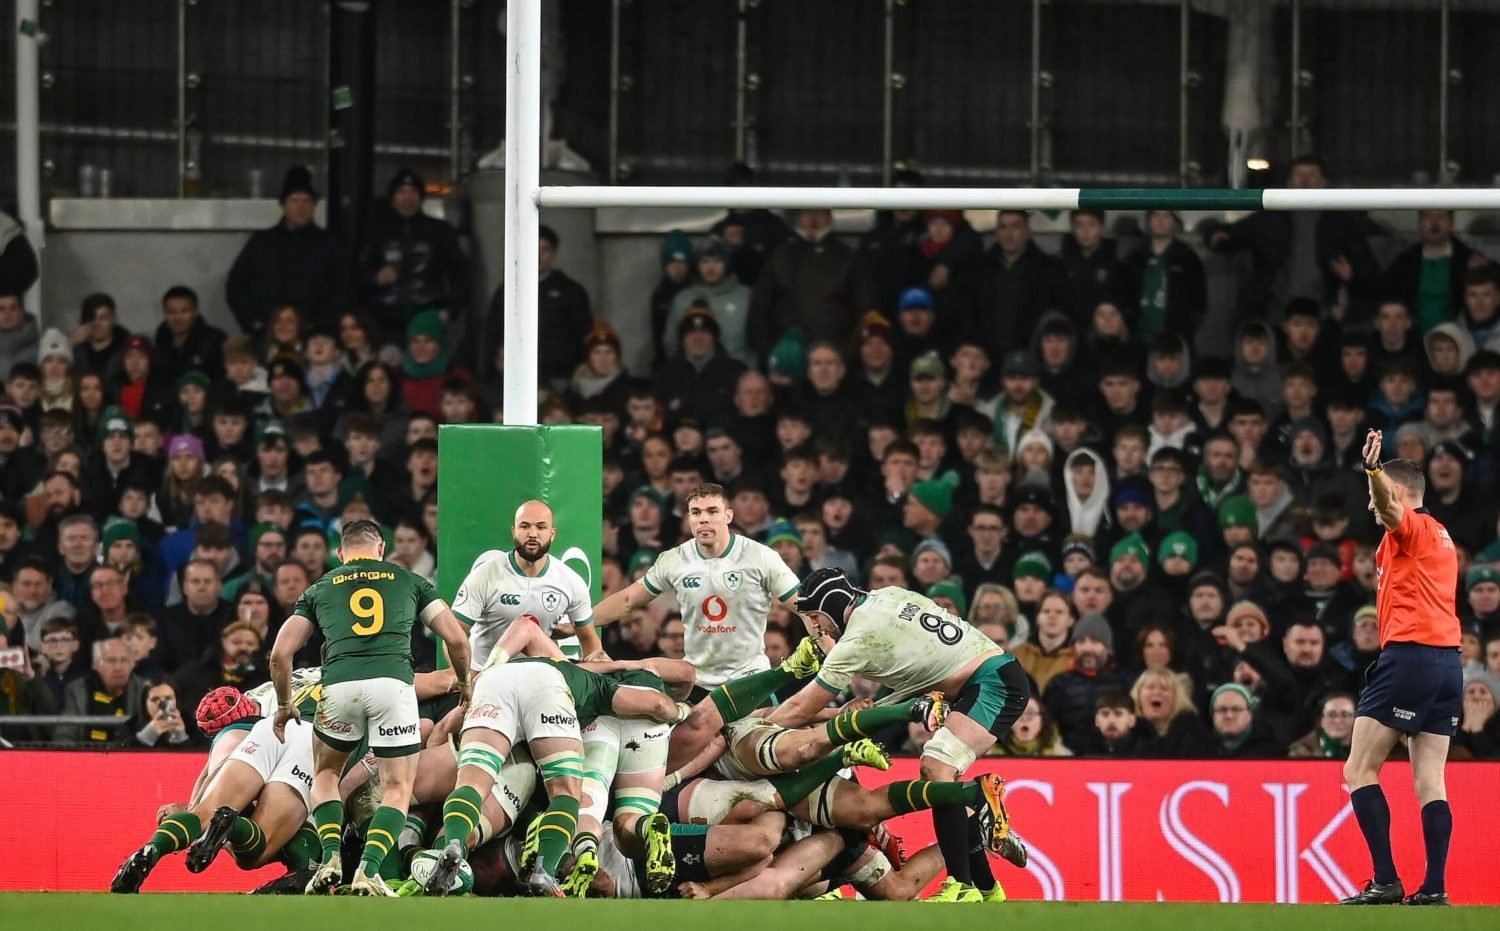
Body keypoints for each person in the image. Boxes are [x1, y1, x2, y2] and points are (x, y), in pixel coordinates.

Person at [770, 567, 1028, 903]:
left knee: (937, 769)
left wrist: (761, 730)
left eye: (816, 617)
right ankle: (986, 888)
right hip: (982, 674)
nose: (817, 627)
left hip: (992, 682)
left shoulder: (858, 639)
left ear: (831, 605)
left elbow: (802, 708)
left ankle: (962, 885)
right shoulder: (887, 595)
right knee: (945, 784)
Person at [268, 519, 473, 896]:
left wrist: (283, 704)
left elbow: (281, 654)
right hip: (394, 687)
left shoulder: (319, 588)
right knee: (397, 786)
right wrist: (464, 681)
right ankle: (368, 870)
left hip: (338, 686)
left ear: (341, 553)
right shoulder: (408, 579)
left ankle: (330, 856)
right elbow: (457, 640)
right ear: (381, 549)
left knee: (326, 776)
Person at [1340, 430, 1462, 906]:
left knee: (1359, 767)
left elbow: (1390, 510)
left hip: (1409, 657)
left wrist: (1373, 473)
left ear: (1398, 493)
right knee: (1430, 779)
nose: (1373, 509)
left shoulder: (1409, 527)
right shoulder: (1442, 536)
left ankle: (1385, 880)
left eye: (1378, 496)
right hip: (1447, 662)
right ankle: (1433, 888)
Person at [591, 483, 800, 697]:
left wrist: (831, 653)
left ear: (728, 516)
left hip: (750, 680)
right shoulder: (674, 559)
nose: (703, 519)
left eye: (712, 511)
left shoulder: (760, 556)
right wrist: (581, 624)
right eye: (696, 512)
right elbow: (628, 599)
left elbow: (804, 606)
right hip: (697, 683)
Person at [450, 499, 602, 665]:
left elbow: (589, 640)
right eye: (525, 526)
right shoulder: (485, 575)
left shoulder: (570, 581)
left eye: (541, 527)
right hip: (487, 678)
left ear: (552, 534)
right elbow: (453, 635)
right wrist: (464, 679)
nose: (532, 534)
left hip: (539, 678)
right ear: (514, 531)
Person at [226, 166, 352, 334]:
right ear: (283, 205)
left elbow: (342, 291)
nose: (301, 207)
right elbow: (236, 286)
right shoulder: (262, 242)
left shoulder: (330, 245)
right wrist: (253, 323)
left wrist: (318, 326)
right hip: (265, 335)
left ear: (314, 206)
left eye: (306, 201)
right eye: (294, 201)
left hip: (314, 339)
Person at [359, 168, 470, 345]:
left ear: (421, 196)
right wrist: (376, 278)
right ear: (393, 197)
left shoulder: (440, 231)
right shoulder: (376, 232)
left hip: (428, 318)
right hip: (384, 321)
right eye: (402, 192)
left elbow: (460, 272)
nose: (407, 197)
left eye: (413, 192)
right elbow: (357, 271)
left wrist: (450, 311)